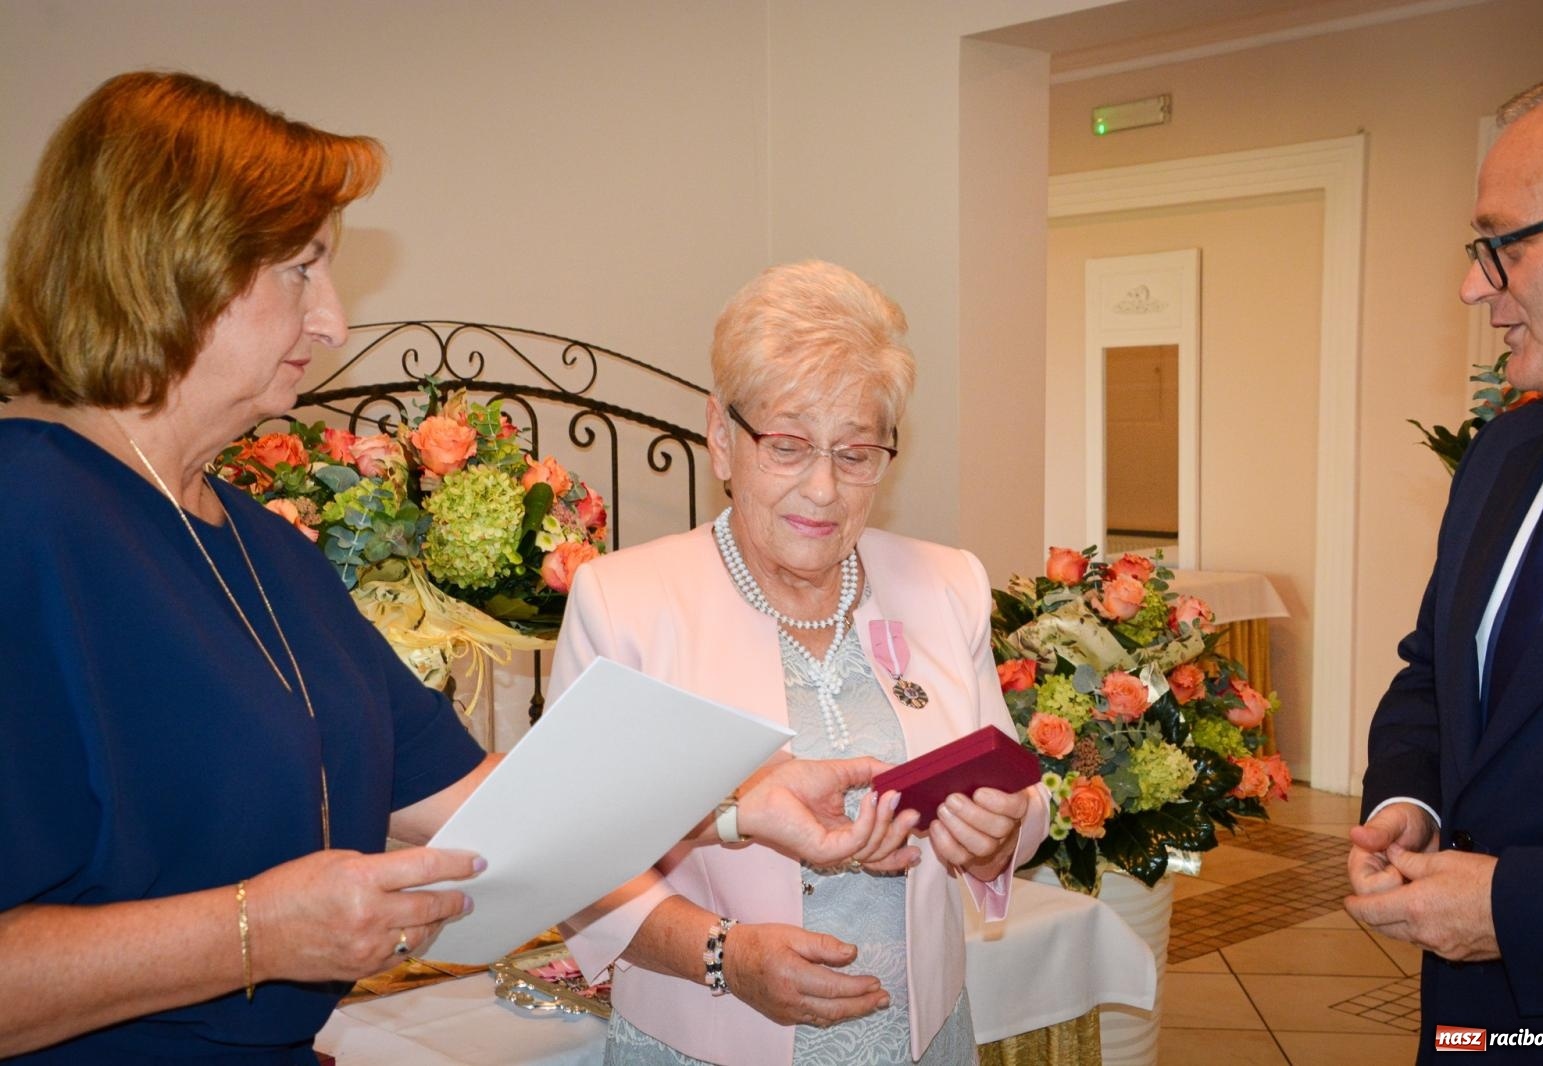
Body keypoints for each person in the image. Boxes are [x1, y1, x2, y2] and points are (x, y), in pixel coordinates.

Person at [0, 73, 910, 1063]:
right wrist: (252, 931)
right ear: (167, 262)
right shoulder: (27, 518)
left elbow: (487, 810)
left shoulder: (263, 546)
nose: (333, 322)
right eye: (301, 269)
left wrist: (735, 803)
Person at [549, 260, 1050, 1066]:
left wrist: (998, 838)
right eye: (787, 446)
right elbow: (570, 855)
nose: (823, 489)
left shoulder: (947, 584)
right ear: (721, 437)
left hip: (922, 1040)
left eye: (855, 455)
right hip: (708, 1040)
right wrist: (725, 955)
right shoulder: (627, 604)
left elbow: (1016, 790)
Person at [1347, 62, 1543, 1058]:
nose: (1469, 284)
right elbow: (1434, 673)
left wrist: (1518, 905)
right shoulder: (1503, 453)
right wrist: (1408, 801)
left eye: (1501, 244)